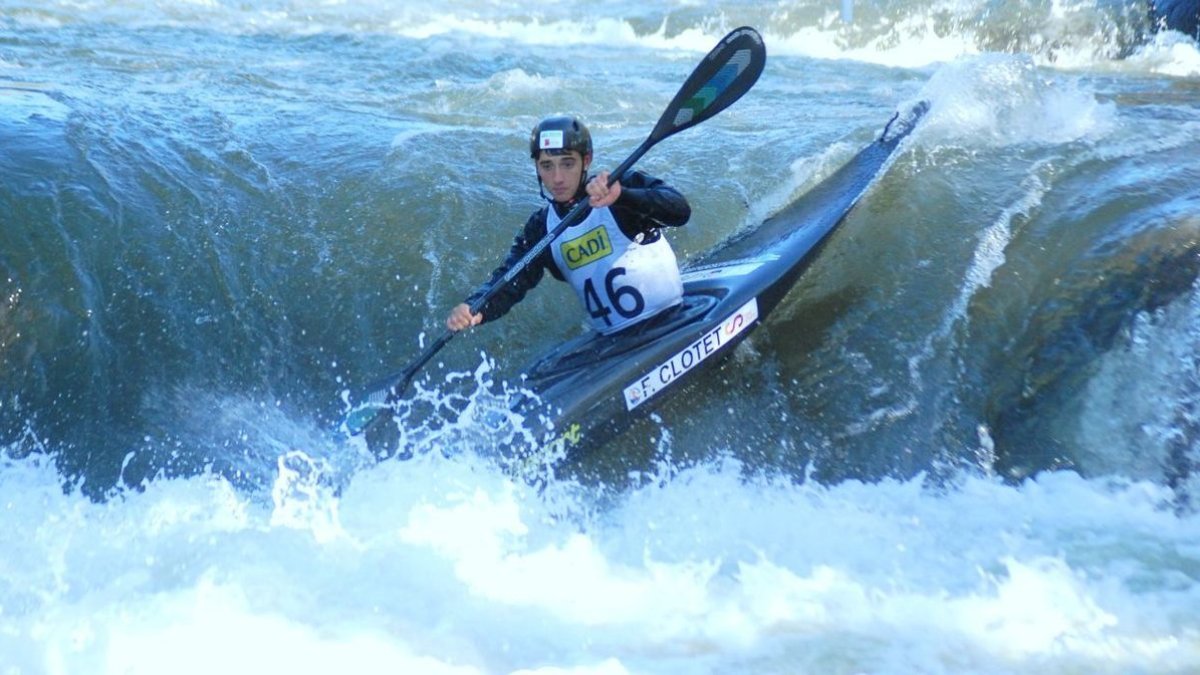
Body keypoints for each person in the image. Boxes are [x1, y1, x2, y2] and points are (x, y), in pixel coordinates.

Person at [446, 115, 691, 335]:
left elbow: (680, 211)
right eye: (546, 166)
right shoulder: (541, 227)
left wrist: (624, 196)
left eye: (567, 163)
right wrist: (477, 307)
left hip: (670, 318)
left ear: (586, 161)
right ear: (537, 168)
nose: (557, 178)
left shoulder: (619, 185)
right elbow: (512, 280)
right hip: (614, 341)